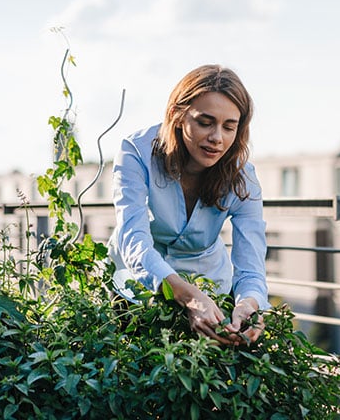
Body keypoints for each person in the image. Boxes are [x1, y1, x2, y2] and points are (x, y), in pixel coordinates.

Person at [107, 64, 269, 346]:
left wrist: (249, 305)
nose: (217, 137)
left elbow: (251, 263)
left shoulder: (243, 177)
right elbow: (134, 239)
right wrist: (189, 296)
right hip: (137, 286)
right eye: (205, 122)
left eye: (229, 127)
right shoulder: (136, 152)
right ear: (177, 116)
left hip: (210, 289)